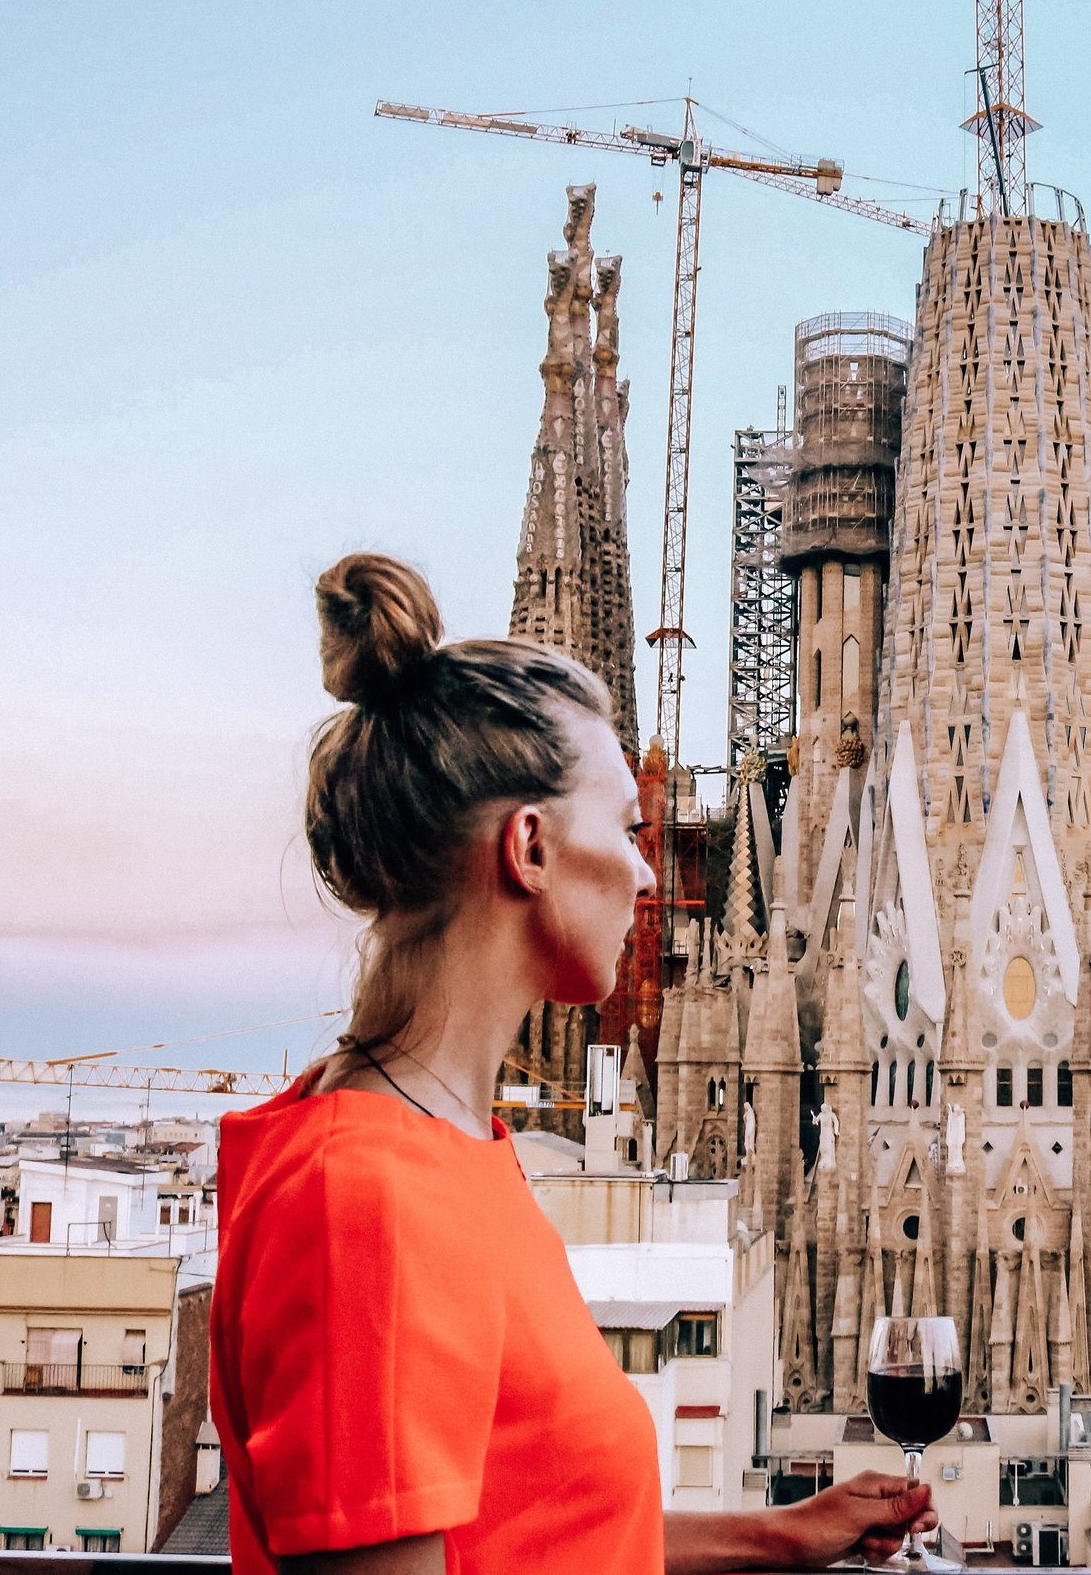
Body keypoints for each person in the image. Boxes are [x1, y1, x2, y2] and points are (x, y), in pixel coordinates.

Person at [211, 554, 936, 1575]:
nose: (648, 871)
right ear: (531, 848)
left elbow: (525, 1532)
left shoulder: (454, 1152)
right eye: (630, 830)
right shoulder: (361, 1199)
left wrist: (778, 1532)